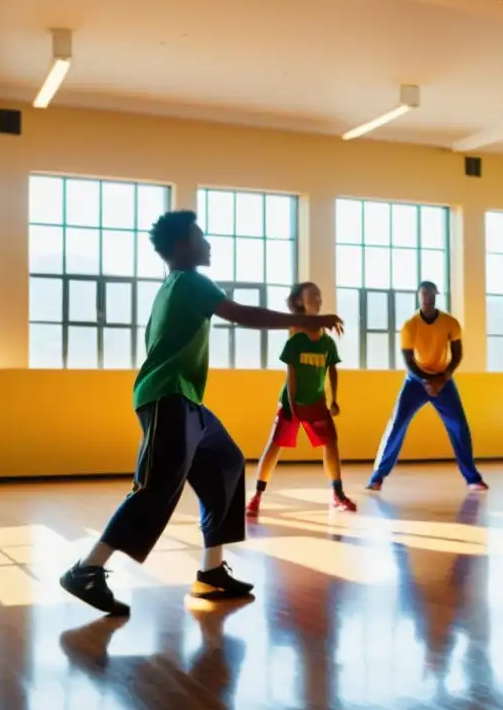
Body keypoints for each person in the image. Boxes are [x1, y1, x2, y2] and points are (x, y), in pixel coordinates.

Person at [60, 210, 343, 616]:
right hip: (167, 397)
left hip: (186, 399)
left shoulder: (179, 285)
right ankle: (87, 569)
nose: (207, 243)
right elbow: (243, 314)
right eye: (200, 236)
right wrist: (307, 320)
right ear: (181, 246)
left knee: (226, 462)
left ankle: (211, 574)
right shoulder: (188, 282)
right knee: (155, 487)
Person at [247, 282, 356, 516]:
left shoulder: (327, 342)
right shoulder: (295, 339)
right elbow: (291, 376)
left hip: (316, 402)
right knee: (274, 446)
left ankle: (338, 494)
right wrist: (292, 406)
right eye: (311, 296)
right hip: (292, 402)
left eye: (319, 295)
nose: (317, 299)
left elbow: (332, 370)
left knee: (331, 445)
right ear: (299, 302)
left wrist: (334, 399)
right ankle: (256, 496)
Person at [366, 281, 487, 493]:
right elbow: (409, 360)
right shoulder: (410, 325)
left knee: (459, 425)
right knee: (397, 424)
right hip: (415, 380)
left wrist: (442, 379)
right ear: (418, 296)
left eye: (430, 294)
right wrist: (426, 382)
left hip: (443, 380)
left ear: (436, 296)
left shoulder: (450, 323)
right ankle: (377, 477)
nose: (426, 298)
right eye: (423, 294)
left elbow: (457, 355)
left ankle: (472, 478)